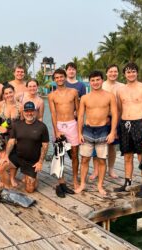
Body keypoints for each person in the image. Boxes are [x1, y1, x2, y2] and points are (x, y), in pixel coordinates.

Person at [115, 62, 142, 198]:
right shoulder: (120, 90)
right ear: (124, 74)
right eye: (128, 72)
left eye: (133, 71)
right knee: (127, 155)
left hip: (140, 124)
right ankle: (127, 182)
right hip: (125, 124)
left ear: (137, 73)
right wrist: (118, 127)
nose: (131, 74)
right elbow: (119, 109)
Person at [75, 71, 118, 196]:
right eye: (92, 80)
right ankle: (83, 184)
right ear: (90, 82)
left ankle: (100, 185)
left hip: (103, 130)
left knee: (102, 160)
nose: (95, 82)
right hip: (88, 130)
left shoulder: (109, 96)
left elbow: (115, 114)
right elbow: (81, 115)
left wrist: (112, 132)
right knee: (84, 159)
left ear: (102, 80)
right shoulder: (85, 97)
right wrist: (79, 133)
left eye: (97, 80)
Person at [0, 101, 49, 192]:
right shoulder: (17, 125)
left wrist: (40, 162)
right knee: (1, 165)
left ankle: (32, 177)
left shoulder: (42, 127)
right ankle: (8, 189)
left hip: (31, 161)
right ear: (23, 112)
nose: (29, 113)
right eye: (26, 111)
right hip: (18, 157)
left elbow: (45, 145)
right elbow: (11, 141)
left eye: (31, 111)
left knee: (30, 189)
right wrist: (6, 156)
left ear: (35, 112)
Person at [48, 68, 79, 197]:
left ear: (65, 77)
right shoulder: (52, 95)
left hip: (72, 124)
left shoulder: (74, 92)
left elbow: (79, 110)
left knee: (74, 154)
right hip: (60, 125)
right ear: (54, 80)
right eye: (57, 78)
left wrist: (80, 128)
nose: (59, 79)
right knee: (59, 155)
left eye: (61, 77)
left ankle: (75, 179)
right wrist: (56, 131)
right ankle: (62, 182)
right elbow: (53, 114)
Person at [90, 64, 125, 180]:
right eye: (110, 71)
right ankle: (96, 170)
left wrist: (117, 122)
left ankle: (111, 168)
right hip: (102, 120)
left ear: (118, 73)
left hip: (117, 119)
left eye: (115, 71)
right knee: (96, 145)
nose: (113, 74)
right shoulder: (101, 85)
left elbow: (122, 107)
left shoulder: (122, 87)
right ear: (106, 73)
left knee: (112, 146)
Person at [0, 84, 22, 187]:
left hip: (15, 135)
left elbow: (22, 122)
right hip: (1, 134)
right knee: (2, 155)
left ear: (14, 92)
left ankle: (12, 177)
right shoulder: (0, 105)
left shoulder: (20, 106)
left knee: (13, 156)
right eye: (6, 93)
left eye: (10, 92)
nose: (8, 95)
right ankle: (2, 177)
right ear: (3, 95)